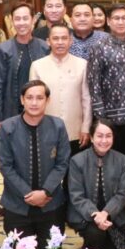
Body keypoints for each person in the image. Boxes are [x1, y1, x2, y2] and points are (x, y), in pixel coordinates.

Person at [0, 80, 70, 249]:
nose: (34, 102)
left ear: (47, 100)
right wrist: (28, 194)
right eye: (29, 97)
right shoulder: (8, 127)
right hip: (17, 204)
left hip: (51, 203)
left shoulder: (58, 126)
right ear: (22, 100)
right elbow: (6, 166)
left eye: (39, 98)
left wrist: (45, 192)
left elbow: (62, 163)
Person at [67, 118, 125, 249]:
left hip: (112, 215)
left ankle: (103, 244)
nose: (104, 140)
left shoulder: (122, 160)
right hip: (87, 216)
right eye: (99, 136)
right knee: (96, 237)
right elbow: (76, 195)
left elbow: (122, 193)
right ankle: (91, 246)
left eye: (108, 136)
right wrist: (96, 214)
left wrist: (106, 213)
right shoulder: (77, 160)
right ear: (91, 137)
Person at [88, 4, 125, 152]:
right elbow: (94, 83)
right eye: (116, 18)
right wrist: (101, 116)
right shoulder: (98, 46)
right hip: (109, 116)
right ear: (108, 21)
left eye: (124, 18)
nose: (120, 22)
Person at [29, 23, 92, 158]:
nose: (60, 42)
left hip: (75, 131)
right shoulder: (37, 66)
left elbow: (86, 99)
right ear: (48, 41)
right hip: (45, 130)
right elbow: (32, 102)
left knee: (74, 168)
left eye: (64, 38)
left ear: (70, 41)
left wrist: (86, 127)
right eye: (55, 38)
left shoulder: (82, 64)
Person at [0, 3, 49, 127]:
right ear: (12, 21)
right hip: (11, 111)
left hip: (40, 111)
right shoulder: (3, 49)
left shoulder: (44, 47)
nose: (21, 23)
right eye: (17, 19)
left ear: (33, 20)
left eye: (25, 18)